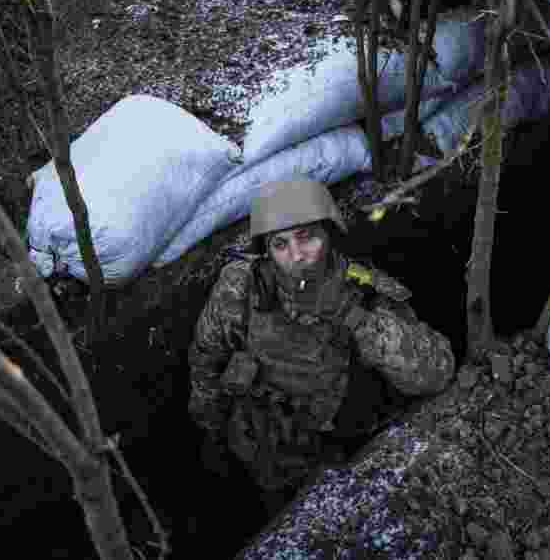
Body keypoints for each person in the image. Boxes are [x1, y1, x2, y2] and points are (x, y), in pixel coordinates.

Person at [187, 176, 456, 516]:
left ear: (329, 233)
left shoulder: (363, 292)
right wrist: (211, 435)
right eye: (280, 244)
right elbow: (205, 362)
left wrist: (355, 318)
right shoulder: (240, 288)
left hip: (353, 455)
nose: (296, 256)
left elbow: (437, 373)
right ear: (265, 251)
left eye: (306, 237)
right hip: (269, 454)